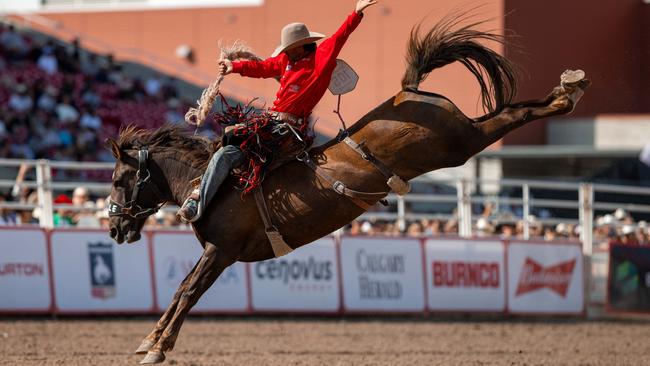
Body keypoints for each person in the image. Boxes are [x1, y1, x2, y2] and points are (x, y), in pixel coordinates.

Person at [177, 0, 378, 222]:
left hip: (287, 130)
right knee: (226, 144)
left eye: (288, 48)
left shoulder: (321, 58)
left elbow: (341, 36)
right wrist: (235, 67)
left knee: (229, 148)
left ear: (300, 46)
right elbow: (263, 68)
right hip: (269, 123)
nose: (285, 52)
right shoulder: (285, 60)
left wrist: (356, 13)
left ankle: (199, 200)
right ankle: (203, 198)